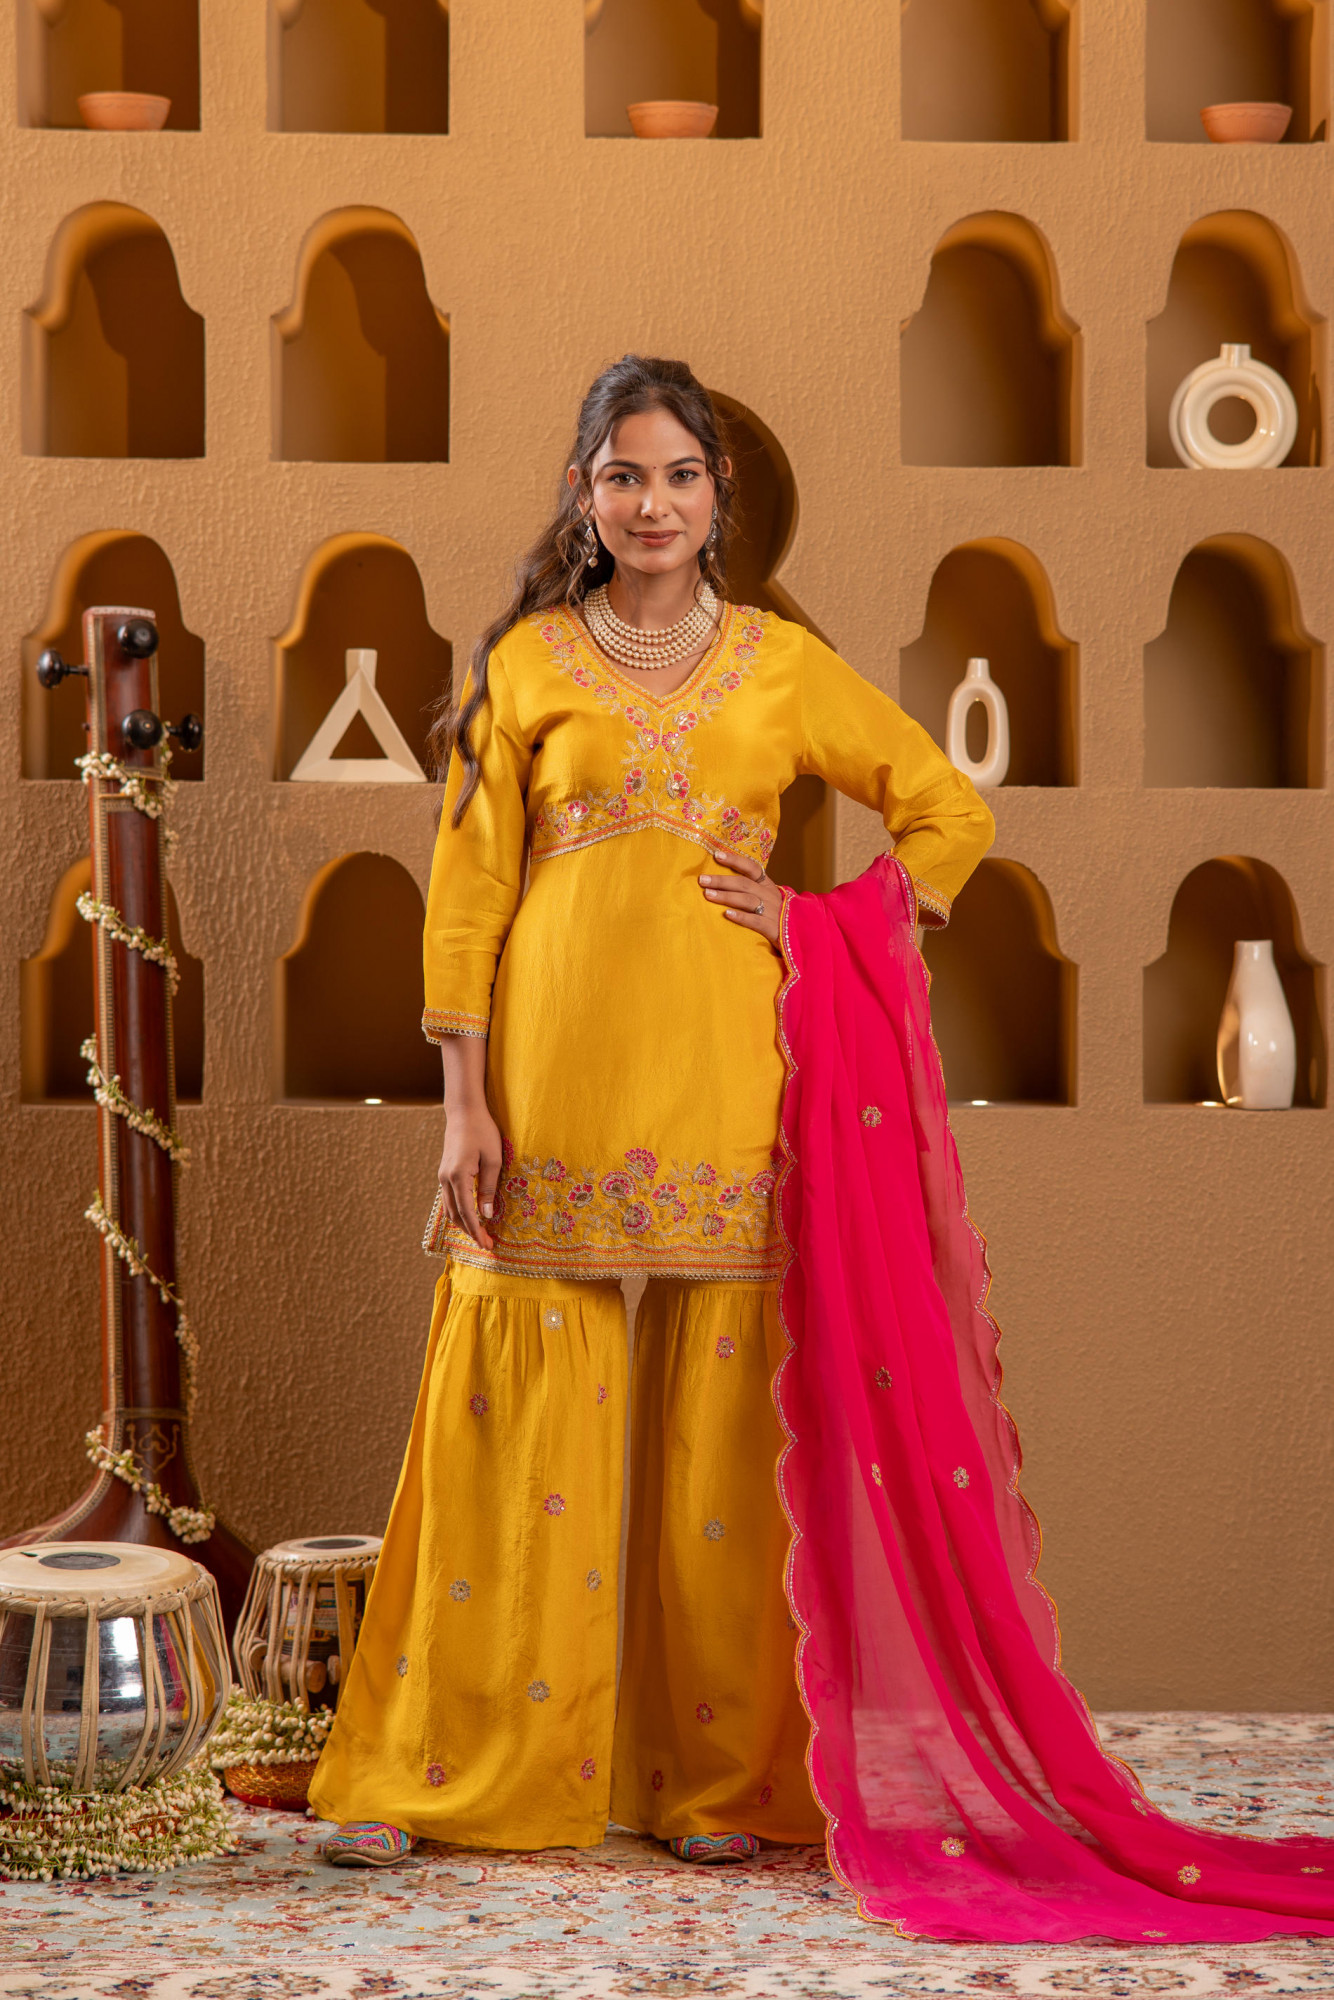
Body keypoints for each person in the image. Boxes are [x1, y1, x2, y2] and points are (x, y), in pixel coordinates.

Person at [308, 354, 994, 1866]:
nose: (654, 503)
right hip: (546, 1077)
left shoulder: (777, 663)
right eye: (625, 475)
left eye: (681, 475)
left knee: (720, 1451)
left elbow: (949, 809)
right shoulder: (526, 664)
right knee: (508, 1427)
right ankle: (453, 1769)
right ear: (584, 493)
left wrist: (823, 917)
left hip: (729, 1082)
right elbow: (467, 895)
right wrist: (463, 1107)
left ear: (717, 496)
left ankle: (715, 1784)